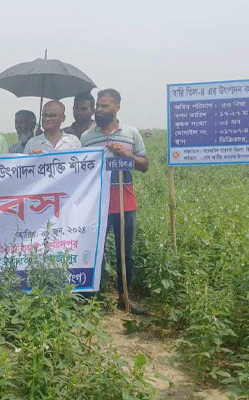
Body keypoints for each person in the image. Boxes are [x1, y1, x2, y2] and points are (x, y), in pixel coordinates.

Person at [80, 89, 149, 313]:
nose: (99, 110)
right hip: (96, 205)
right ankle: (94, 298)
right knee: (96, 250)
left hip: (125, 202)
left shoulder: (131, 133)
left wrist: (127, 155)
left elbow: (145, 165)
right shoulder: (87, 138)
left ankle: (124, 295)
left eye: (105, 106)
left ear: (117, 107)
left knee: (125, 251)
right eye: (98, 106)